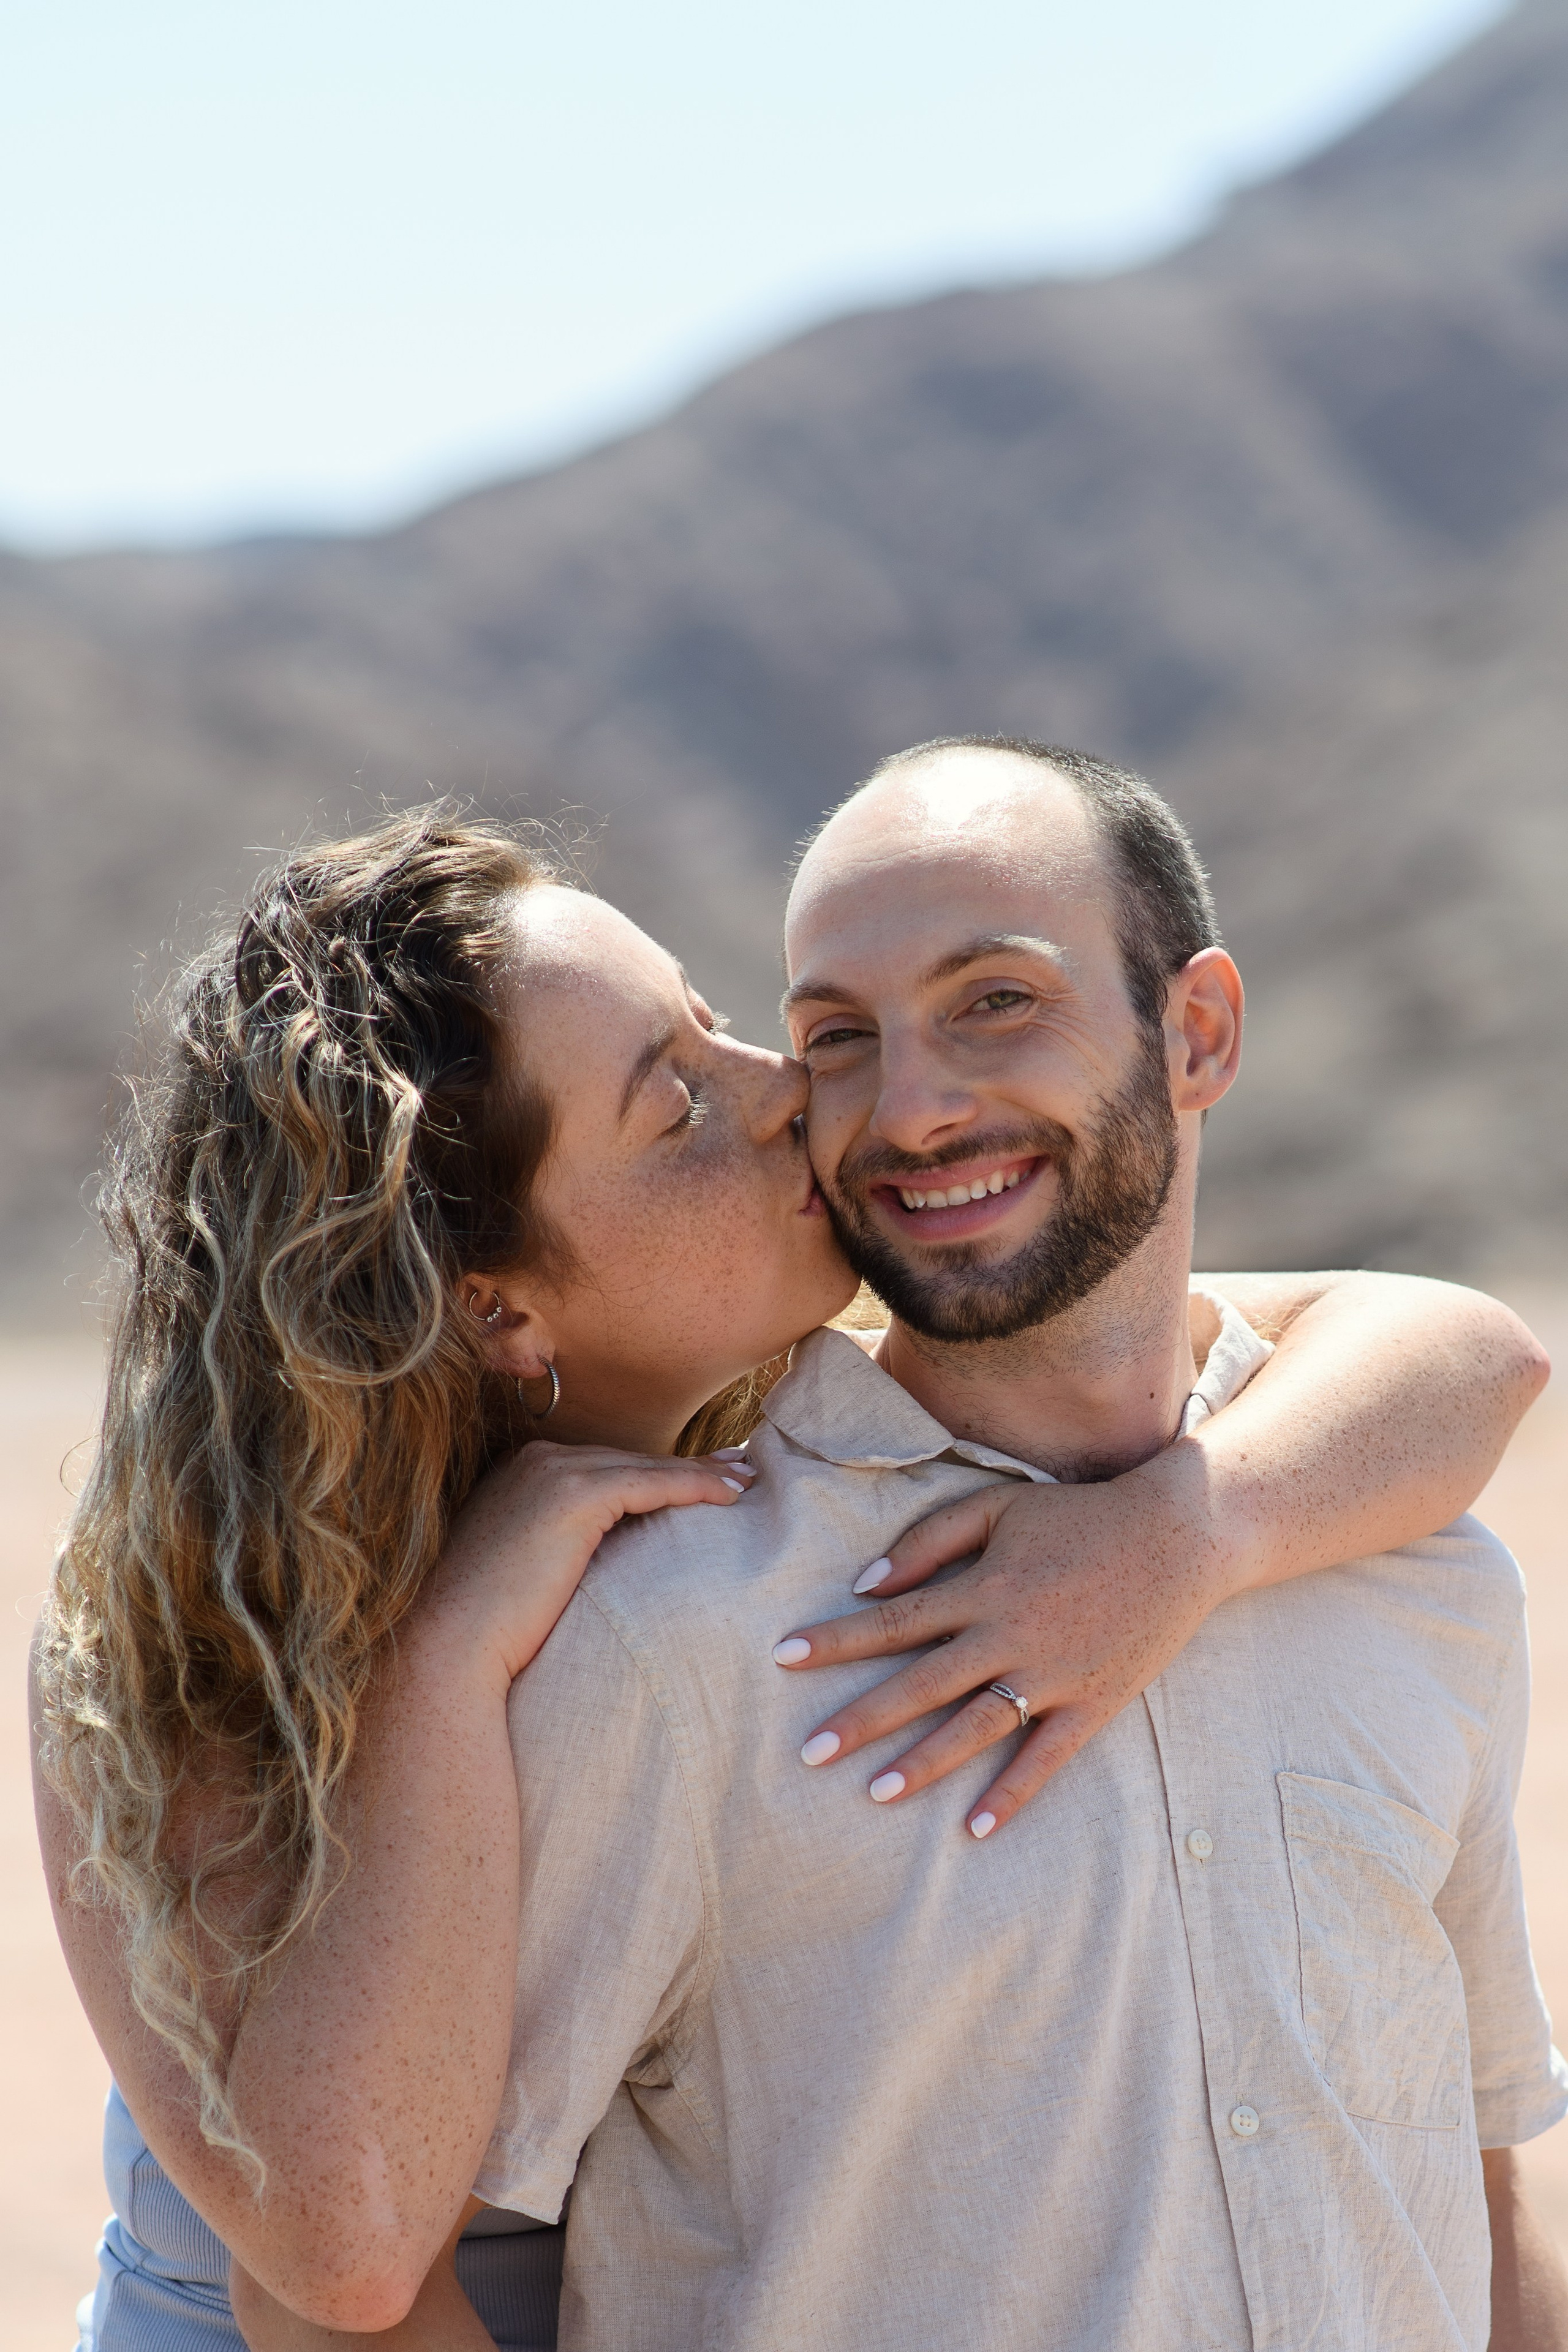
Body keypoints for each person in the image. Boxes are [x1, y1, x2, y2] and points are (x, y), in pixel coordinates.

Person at [29, 796, 1549, 2352]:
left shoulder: (764, 1424)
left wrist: (1180, 1533)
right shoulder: (206, 1634)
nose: (797, 1096)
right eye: (675, 1102)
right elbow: (339, 2264)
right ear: (495, 1310)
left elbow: (1452, 1349)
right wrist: (448, 1653)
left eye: (722, 1027)